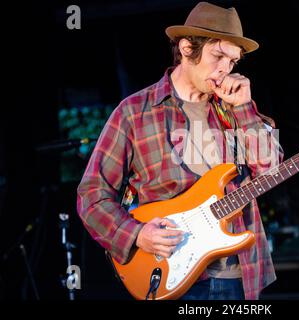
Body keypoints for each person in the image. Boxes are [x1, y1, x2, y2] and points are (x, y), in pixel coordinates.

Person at [77, 1, 283, 300]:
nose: (225, 69)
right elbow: (92, 195)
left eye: (233, 62)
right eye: (218, 55)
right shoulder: (134, 112)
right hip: (169, 272)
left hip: (238, 276)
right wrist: (137, 234)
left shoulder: (236, 109)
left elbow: (271, 172)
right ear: (187, 48)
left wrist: (246, 111)